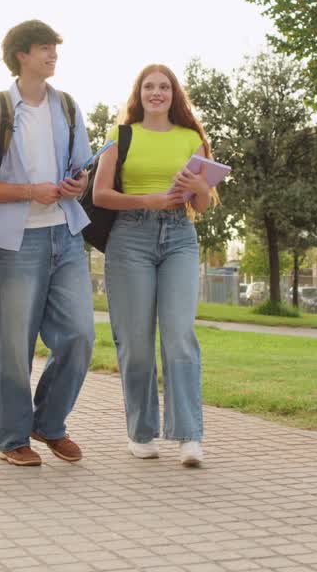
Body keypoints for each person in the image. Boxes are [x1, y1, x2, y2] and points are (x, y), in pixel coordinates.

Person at [0, 20, 95, 467]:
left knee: (80, 335)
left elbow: (82, 169)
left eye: (54, 48)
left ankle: (49, 423)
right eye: (44, 48)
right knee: (15, 346)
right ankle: (14, 438)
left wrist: (78, 183)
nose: (53, 55)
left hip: (66, 234)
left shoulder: (69, 107)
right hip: (18, 241)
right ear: (22, 55)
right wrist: (29, 192)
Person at [93, 64, 216, 467]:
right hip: (130, 239)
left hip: (179, 236)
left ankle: (189, 436)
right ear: (139, 93)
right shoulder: (121, 135)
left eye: (164, 86)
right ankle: (141, 432)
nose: (157, 92)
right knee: (136, 343)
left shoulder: (191, 138)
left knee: (179, 335)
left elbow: (202, 204)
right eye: (149, 86)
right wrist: (147, 200)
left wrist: (200, 189)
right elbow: (100, 195)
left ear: (174, 94)